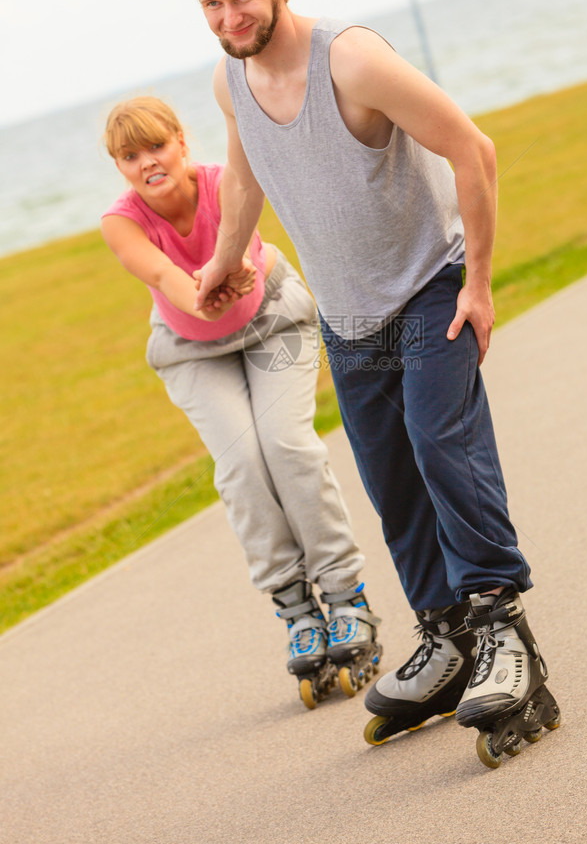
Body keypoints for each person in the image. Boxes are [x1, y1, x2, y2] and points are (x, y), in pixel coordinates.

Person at [168, 0, 559, 761]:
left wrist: (480, 283)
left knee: (440, 445)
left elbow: (472, 149)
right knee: (389, 479)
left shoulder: (349, 57)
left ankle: (503, 630)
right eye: (210, 4)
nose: (229, 19)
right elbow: (243, 173)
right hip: (346, 314)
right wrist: (222, 261)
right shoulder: (228, 82)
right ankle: (446, 635)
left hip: (428, 288)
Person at [100, 95, 381, 709]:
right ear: (119, 167)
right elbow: (170, 282)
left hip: (273, 325)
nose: (147, 162)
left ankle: (345, 595)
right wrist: (211, 284)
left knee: (287, 445)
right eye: (129, 156)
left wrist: (244, 268)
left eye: (155, 145)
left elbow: (248, 256)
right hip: (193, 352)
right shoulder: (120, 222)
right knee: (240, 465)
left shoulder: (224, 182)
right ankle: (296, 608)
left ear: (181, 140)